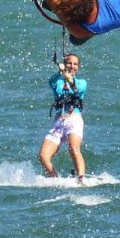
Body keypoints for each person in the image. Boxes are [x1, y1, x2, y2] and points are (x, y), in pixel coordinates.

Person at [39, 53, 87, 183]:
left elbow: (74, 86)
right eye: (69, 63)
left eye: (75, 64)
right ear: (65, 64)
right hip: (59, 122)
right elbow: (53, 80)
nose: (72, 66)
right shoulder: (56, 81)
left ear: (79, 67)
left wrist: (67, 74)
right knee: (43, 156)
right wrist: (60, 69)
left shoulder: (82, 83)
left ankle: (81, 179)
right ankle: (55, 180)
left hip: (74, 119)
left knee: (74, 148)